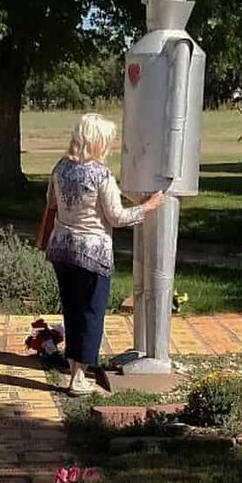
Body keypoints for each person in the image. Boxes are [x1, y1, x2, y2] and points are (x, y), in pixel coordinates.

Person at [36, 112, 165, 396]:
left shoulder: (60, 168)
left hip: (62, 250)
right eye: (108, 140)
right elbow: (117, 217)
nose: (110, 145)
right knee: (92, 313)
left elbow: (52, 204)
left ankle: (74, 368)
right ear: (97, 141)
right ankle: (79, 378)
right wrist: (149, 206)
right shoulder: (101, 174)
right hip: (92, 253)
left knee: (72, 310)